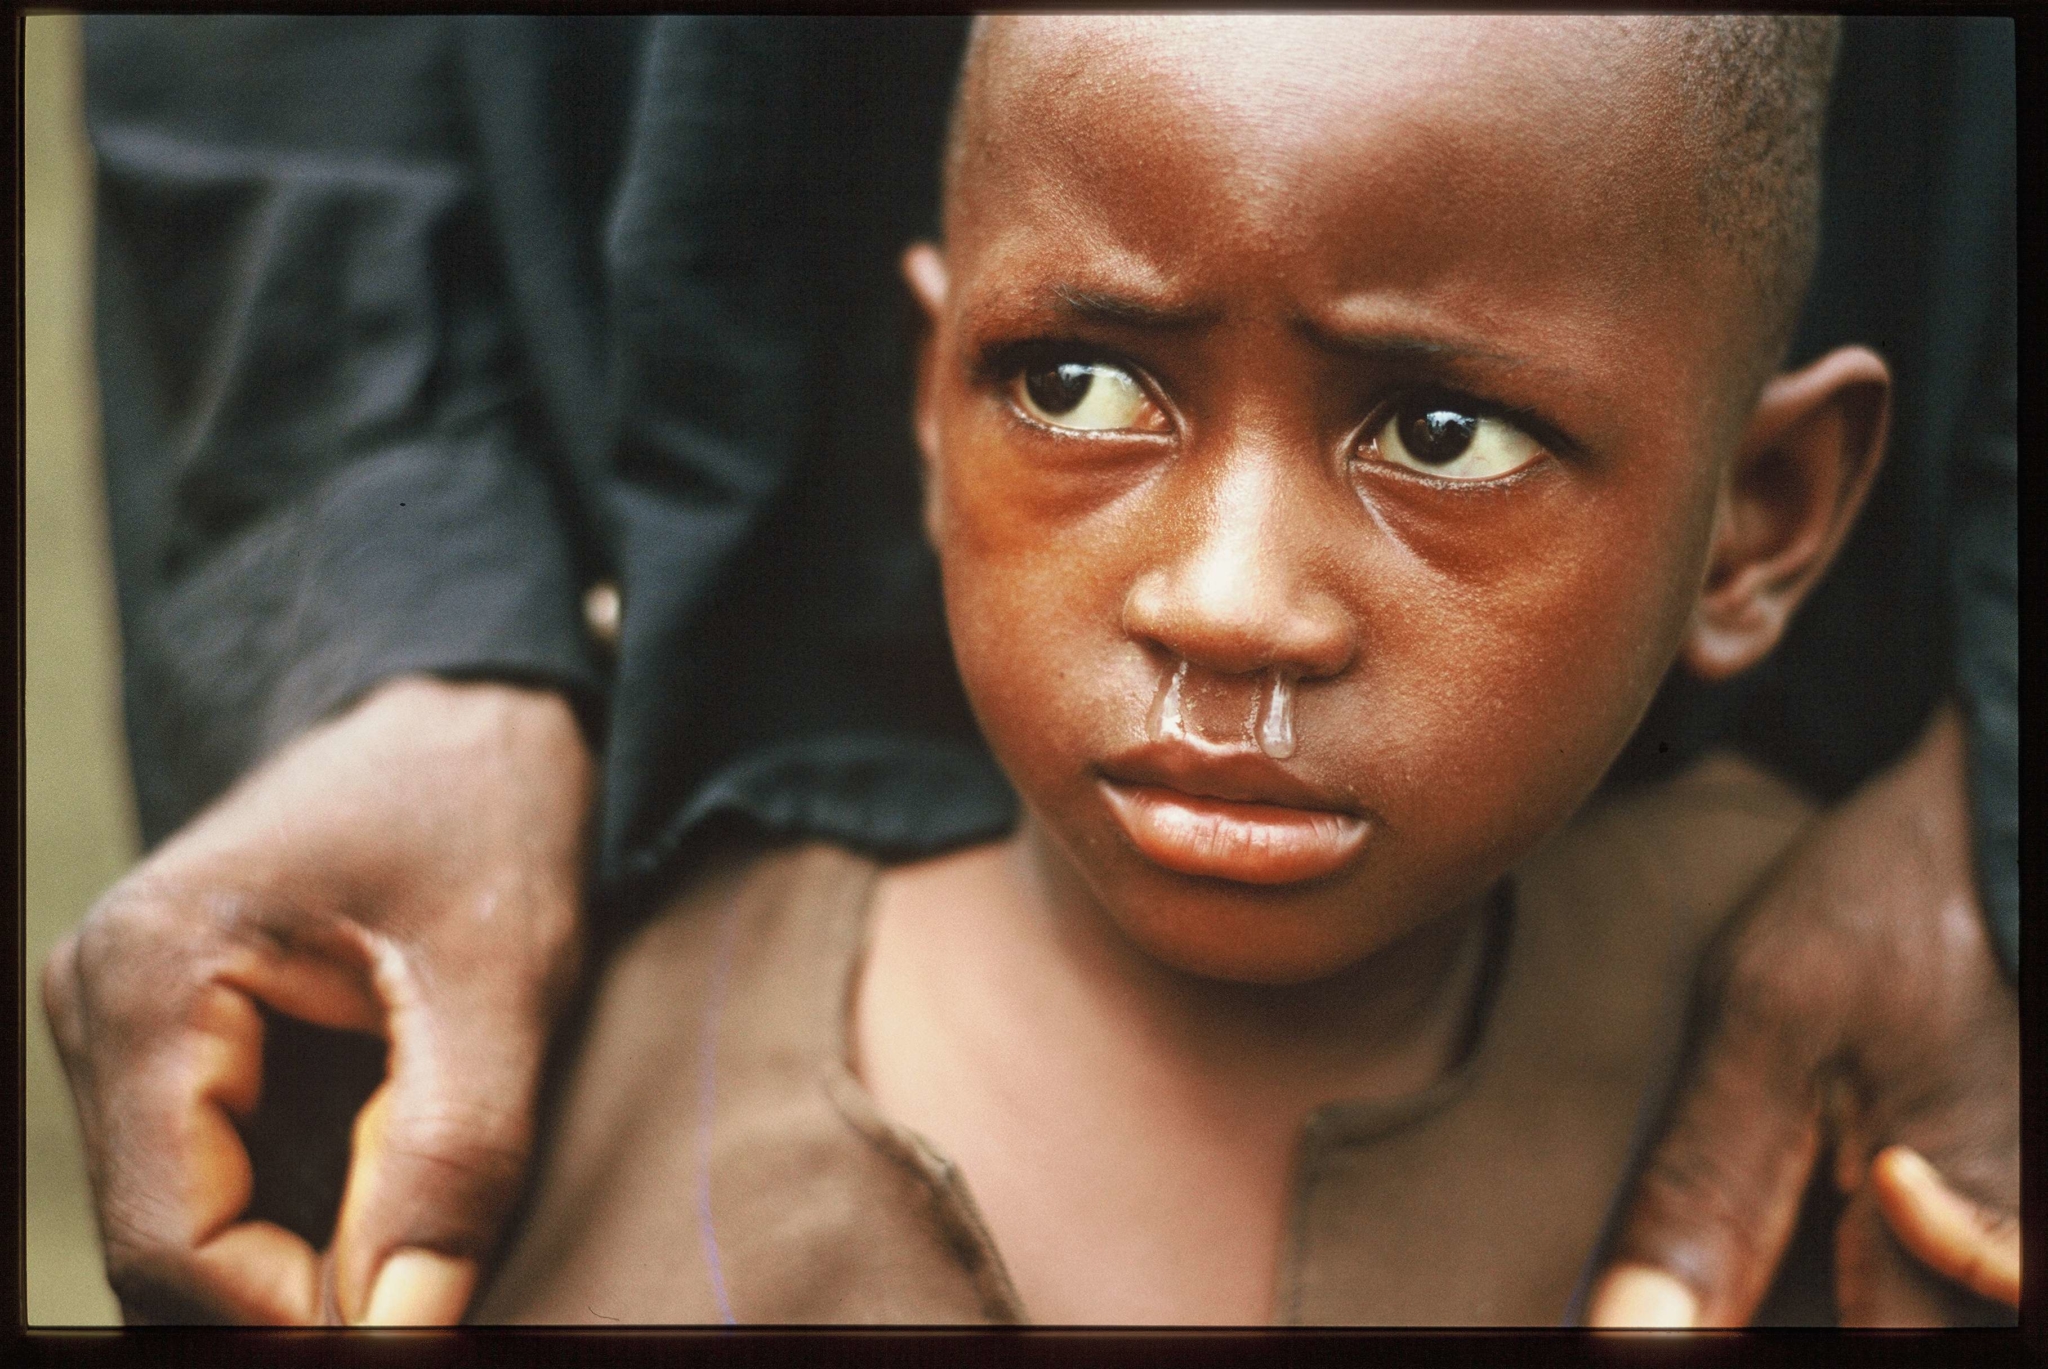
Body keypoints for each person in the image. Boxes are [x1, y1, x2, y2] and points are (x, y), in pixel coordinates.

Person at [42, 14, 2015, 1327]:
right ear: (923, 387)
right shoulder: (509, 1112)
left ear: (1762, 519)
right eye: (1077, 383)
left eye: (1440, 436)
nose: (1229, 606)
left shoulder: (1871, 1153)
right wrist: (372, 613)